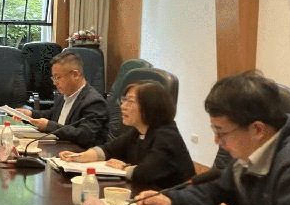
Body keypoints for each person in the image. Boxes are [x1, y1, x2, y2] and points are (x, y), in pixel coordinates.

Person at [136, 72, 290, 205]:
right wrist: (171, 202)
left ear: (257, 130)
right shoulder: (252, 151)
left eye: (221, 132)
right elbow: (214, 192)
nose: (217, 141)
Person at [58, 81, 195, 189]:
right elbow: (108, 149)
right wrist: (78, 157)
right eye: (124, 100)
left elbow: (145, 173)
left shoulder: (167, 135)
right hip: (146, 193)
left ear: (150, 105)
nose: (122, 106)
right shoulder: (138, 131)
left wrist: (124, 167)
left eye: (130, 101)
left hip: (174, 204)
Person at [15, 51, 108, 148]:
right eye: (54, 78)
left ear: (75, 75)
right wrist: (29, 114)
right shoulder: (64, 95)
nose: (55, 83)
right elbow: (52, 115)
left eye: (58, 77)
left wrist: (49, 126)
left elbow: (84, 135)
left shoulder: (94, 102)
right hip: (58, 146)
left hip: (77, 152)